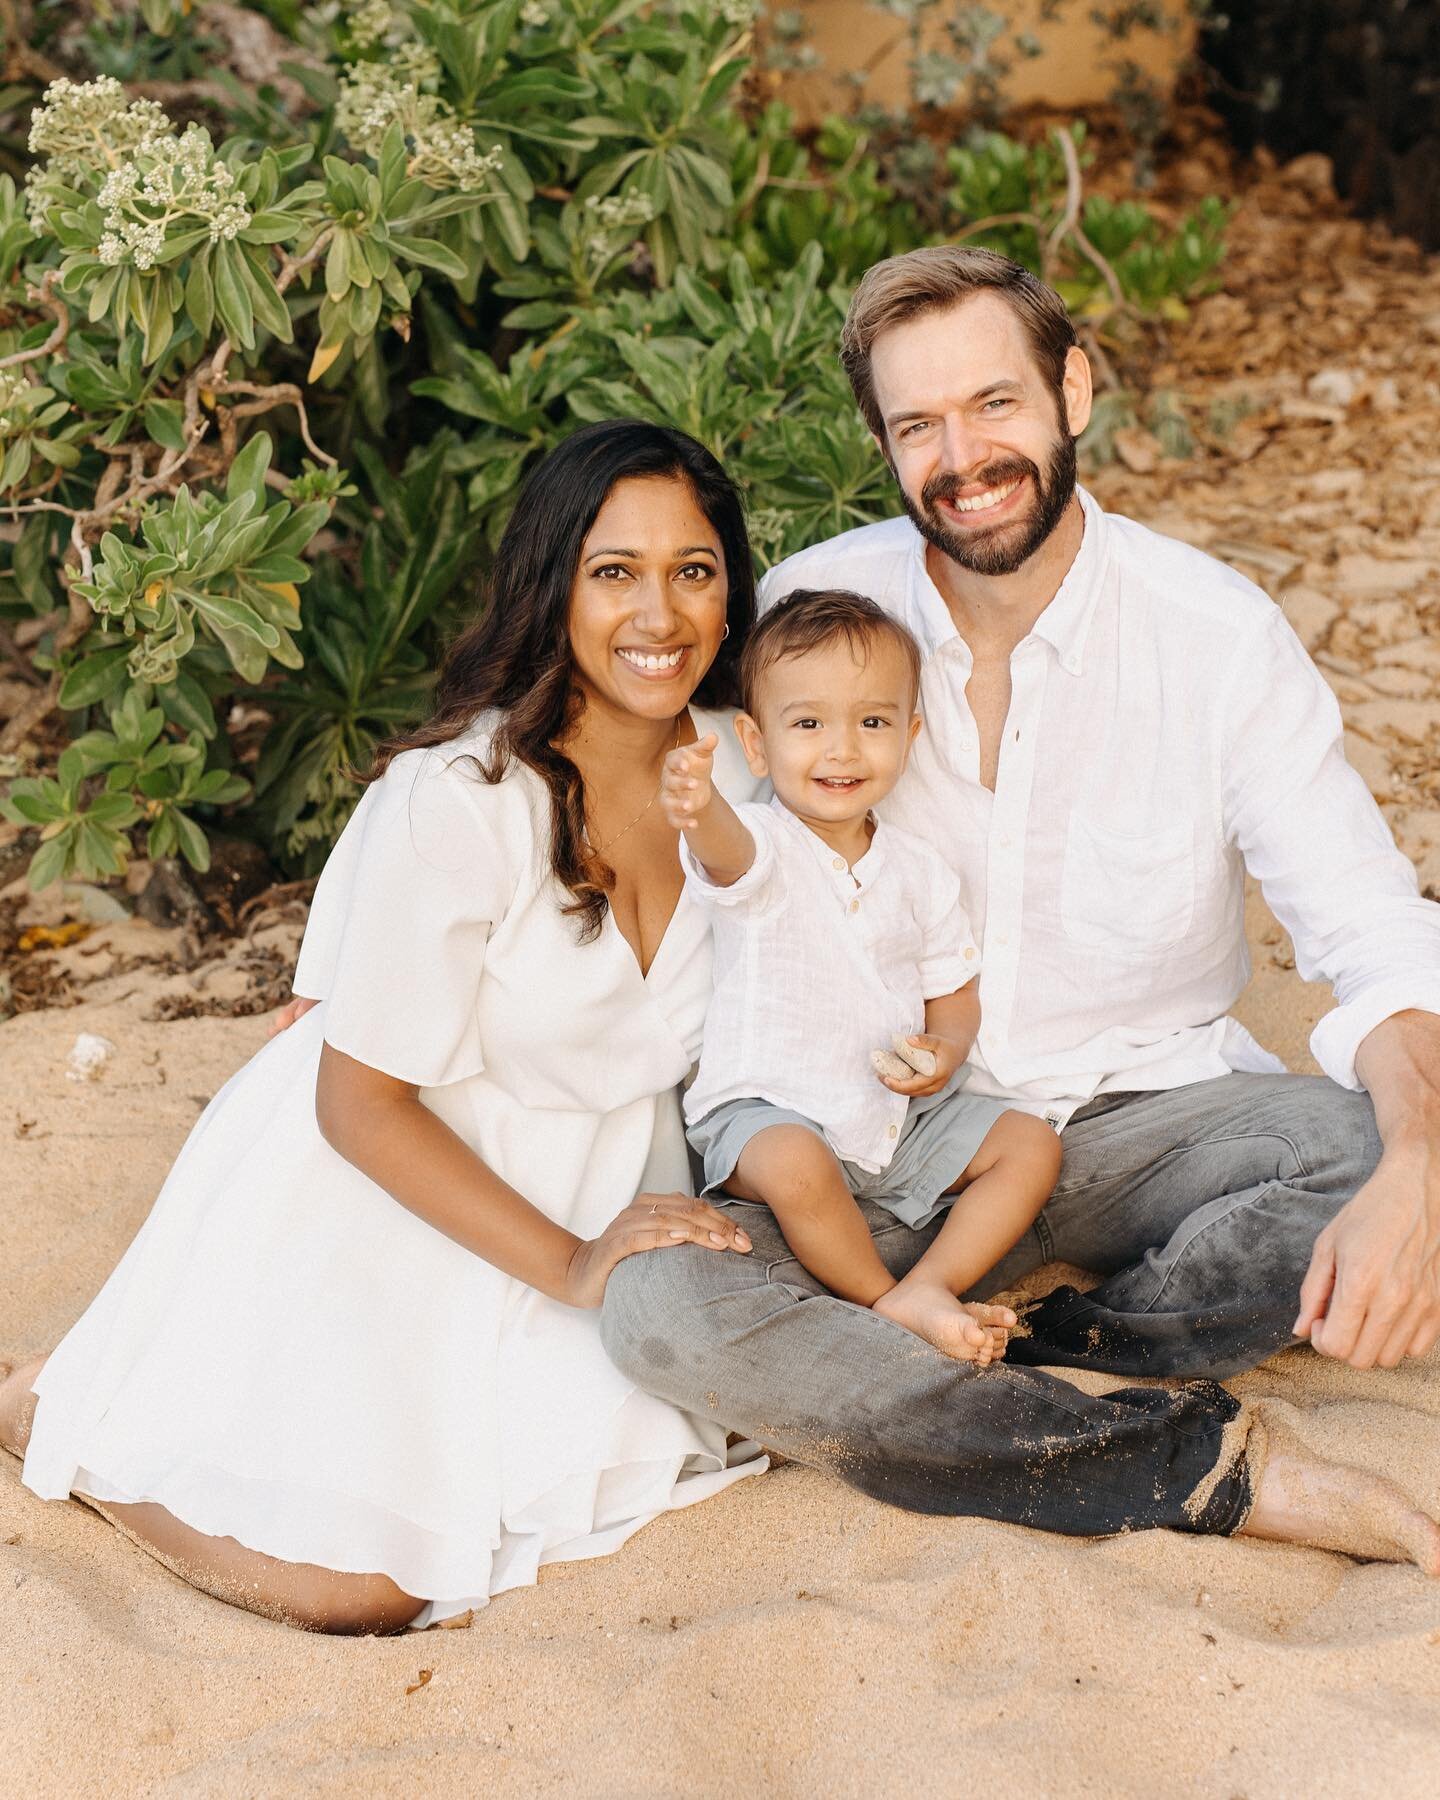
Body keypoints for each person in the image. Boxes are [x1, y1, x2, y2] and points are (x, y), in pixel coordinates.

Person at [598, 247, 1440, 1569]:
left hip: (1140, 1119)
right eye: (917, 424)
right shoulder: (818, 617)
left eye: (994, 403)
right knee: (658, 1308)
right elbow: (603, 714)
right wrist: (411, 910)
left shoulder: (1212, 635)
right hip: (882, 1141)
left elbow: (1369, 929)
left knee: (1366, 1153)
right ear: (881, 443)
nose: (962, 456)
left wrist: (1420, 1163)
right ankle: (1176, 1457)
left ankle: (1063, 1347)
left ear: (1075, 389)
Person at [0, 419, 767, 1634]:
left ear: (733, 587)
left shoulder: (753, 769)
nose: (658, 613)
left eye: (694, 568)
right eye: (613, 570)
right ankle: (59, 1416)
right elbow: (356, 1105)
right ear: (550, 586)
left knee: (577, 1479)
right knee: (365, 1589)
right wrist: (571, 1266)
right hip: (386, 1198)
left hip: (603, 1188)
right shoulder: (464, 803)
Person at [662, 587, 1060, 1363]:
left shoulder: (920, 870)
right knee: (795, 1163)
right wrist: (699, 802)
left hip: (890, 1118)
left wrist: (944, 1051)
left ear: (909, 735)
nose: (842, 750)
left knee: (1032, 1145)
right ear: (756, 741)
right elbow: (724, 854)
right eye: (808, 724)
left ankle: (933, 1283)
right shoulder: (764, 841)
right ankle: (884, 1299)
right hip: (768, 1110)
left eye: (872, 722)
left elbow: (953, 992)